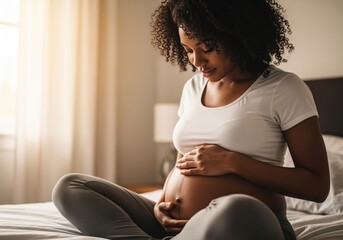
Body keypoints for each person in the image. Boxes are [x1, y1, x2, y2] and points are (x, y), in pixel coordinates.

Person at [52, 0, 330, 239]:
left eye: (207, 47)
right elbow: (182, 161)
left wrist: (233, 162)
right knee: (71, 187)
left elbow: (317, 186)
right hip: (174, 225)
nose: (197, 61)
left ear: (238, 34)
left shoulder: (284, 88)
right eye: (187, 49)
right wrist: (161, 203)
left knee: (237, 209)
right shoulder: (193, 88)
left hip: (243, 222)